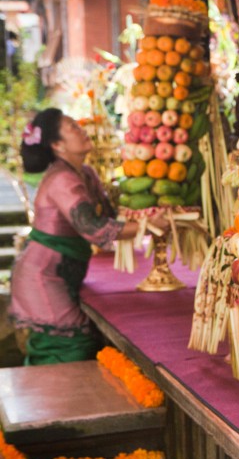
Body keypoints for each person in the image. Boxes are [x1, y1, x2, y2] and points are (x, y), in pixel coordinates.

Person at [9, 108, 167, 365]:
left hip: (63, 270)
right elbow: (94, 229)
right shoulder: (62, 179)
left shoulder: (86, 174)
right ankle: (53, 402)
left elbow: (109, 216)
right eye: (73, 127)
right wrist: (148, 226)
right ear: (58, 145)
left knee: (70, 343)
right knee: (70, 343)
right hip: (42, 275)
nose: (82, 130)